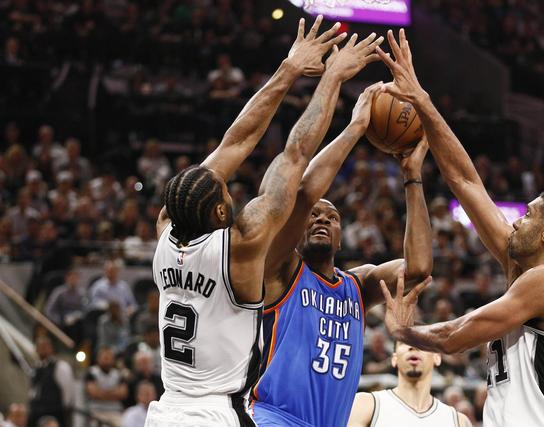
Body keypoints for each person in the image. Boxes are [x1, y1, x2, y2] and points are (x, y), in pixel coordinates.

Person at [146, 16, 382, 427]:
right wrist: (333, 78)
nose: (233, 194)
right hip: (215, 414)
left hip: (166, 410)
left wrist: (289, 69)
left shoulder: (167, 229)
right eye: (226, 195)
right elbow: (295, 154)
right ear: (221, 213)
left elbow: (233, 144)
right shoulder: (241, 245)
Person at [376, 29, 544, 426]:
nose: (516, 220)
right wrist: (421, 100)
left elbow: (459, 334)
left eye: (528, 215)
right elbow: (465, 181)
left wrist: (402, 330)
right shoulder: (525, 273)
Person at [249, 92, 432, 425]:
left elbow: (418, 268)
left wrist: (412, 176)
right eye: (314, 215)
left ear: (341, 234)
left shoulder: (357, 285)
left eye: (331, 217)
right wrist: (356, 127)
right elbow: (304, 193)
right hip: (273, 417)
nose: (321, 219)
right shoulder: (281, 268)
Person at [348, 342, 471, 426]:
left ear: (437, 358)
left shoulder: (458, 421)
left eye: (421, 342)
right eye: (405, 342)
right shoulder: (366, 404)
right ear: (394, 359)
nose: (413, 347)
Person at [27, 336, 74, 427]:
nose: (42, 349)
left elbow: (67, 392)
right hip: (36, 411)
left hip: (54, 412)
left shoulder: (61, 366)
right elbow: (33, 389)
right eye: (39, 347)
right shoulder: (36, 367)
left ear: (51, 348)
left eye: (45, 346)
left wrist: (62, 408)